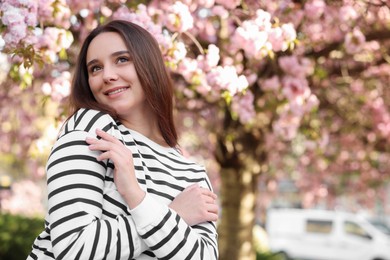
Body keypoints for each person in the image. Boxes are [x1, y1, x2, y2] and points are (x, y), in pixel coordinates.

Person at [27, 20, 219, 260]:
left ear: (149, 65)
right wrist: (174, 214)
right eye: (95, 68)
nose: (107, 75)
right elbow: (74, 249)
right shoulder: (92, 129)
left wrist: (137, 197)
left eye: (121, 59)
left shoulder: (192, 174)